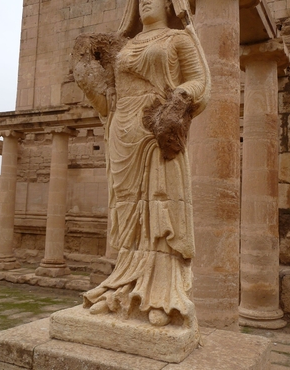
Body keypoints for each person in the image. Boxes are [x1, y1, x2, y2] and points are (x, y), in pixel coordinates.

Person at [77, 0, 210, 327]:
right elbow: (112, 98)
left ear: (169, 3)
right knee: (130, 214)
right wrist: (87, 81)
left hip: (157, 128)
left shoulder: (178, 39)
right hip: (123, 133)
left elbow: (199, 82)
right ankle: (122, 289)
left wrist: (179, 99)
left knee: (160, 210)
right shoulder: (125, 45)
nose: (146, 2)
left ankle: (162, 296)